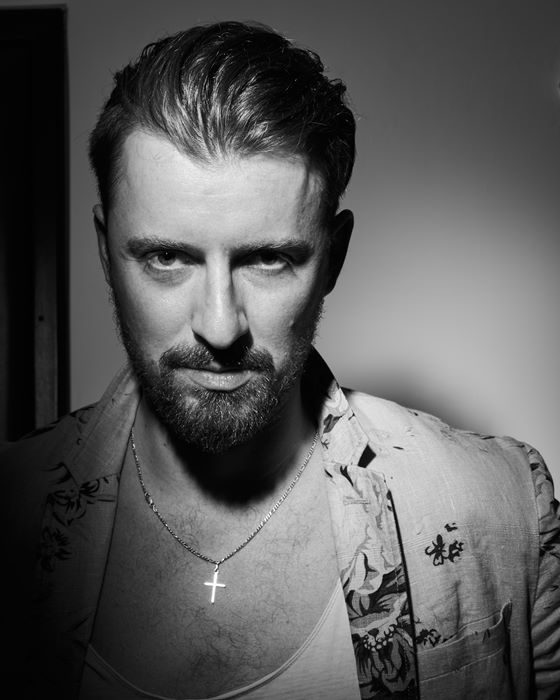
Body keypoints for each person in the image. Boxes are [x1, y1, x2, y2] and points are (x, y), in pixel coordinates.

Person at [2, 20, 559, 700]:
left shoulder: (500, 505)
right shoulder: (13, 507)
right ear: (105, 253)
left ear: (334, 258)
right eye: (166, 257)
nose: (219, 326)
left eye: (268, 259)